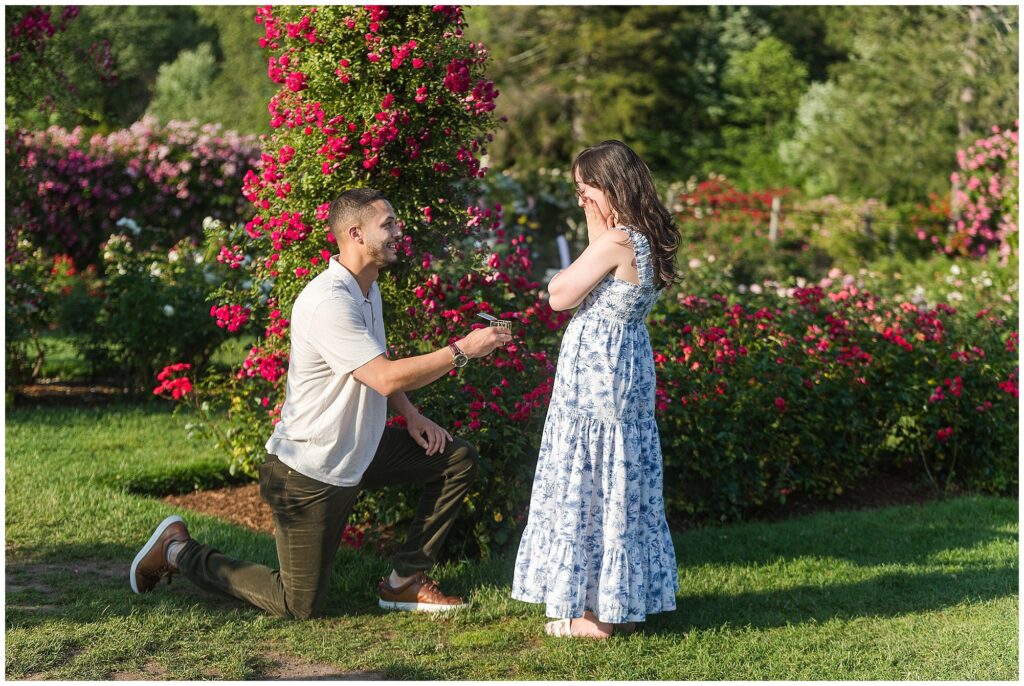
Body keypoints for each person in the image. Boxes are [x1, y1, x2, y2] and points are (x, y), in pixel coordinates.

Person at [130, 188, 512, 619]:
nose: (399, 231)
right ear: (355, 234)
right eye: (388, 224)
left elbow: (377, 364)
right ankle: (178, 549)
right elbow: (384, 378)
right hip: (309, 471)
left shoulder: (368, 290)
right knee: (297, 606)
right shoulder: (329, 302)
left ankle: (404, 582)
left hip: (359, 452)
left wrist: (412, 415)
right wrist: (462, 349)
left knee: (455, 457)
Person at [511, 140, 681, 638]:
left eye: (586, 189)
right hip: (625, 362)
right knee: (617, 479)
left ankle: (599, 618)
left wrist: (593, 233)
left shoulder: (618, 241)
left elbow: (560, 295)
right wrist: (595, 221)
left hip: (600, 374)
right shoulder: (645, 233)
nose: (581, 199)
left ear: (612, 186)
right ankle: (613, 602)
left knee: (593, 475)